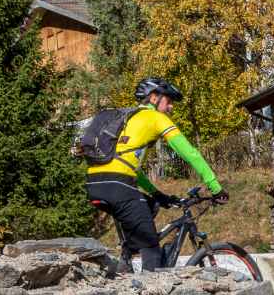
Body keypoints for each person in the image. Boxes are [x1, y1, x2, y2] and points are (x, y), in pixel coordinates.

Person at [86, 77, 228, 271]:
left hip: (96, 185)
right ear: (154, 98)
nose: (171, 107)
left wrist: (157, 194)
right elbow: (190, 153)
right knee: (151, 246)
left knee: (150, 206)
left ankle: (126, 258)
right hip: (119, 186)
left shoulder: (128, 118)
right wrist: (215, 186)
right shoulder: (156, 118)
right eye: (168, 101)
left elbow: (129, 167)